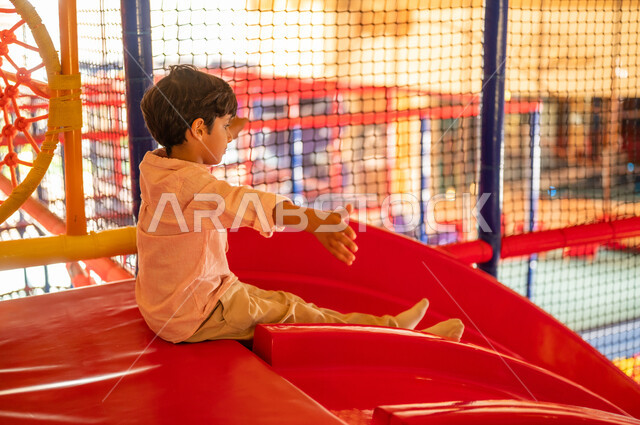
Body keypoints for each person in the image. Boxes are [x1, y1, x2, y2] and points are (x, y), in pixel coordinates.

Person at [136, 64, 464, 344]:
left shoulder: (159, 166)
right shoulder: (191, 188)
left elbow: (215, 158)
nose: (231, 135)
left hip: (173, 304)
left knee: (286, 303)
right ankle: (397, 337)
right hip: (198, 312)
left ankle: (389, 328)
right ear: (198, 129)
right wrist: (312, 219)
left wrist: (224, 120)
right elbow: (248, 203)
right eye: (224, 127)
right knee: (297, 313)